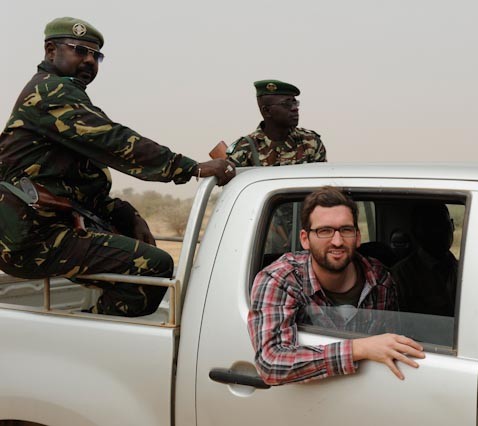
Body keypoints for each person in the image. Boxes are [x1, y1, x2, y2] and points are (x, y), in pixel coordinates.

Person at [0, 17, 236, 317]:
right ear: (50, 51)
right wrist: (190, 168)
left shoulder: (63, 94)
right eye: (79, 50)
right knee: (156, 265)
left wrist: (128, 215)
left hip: (47, 224)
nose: (89, 61)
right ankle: (93, 332)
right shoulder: (52, 92)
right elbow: (114, 140)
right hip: (30, 236)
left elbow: (82, 184)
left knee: (134, 240)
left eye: (96, 56)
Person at [248, 186, 425, 385]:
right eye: (325, 231)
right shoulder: (281, 279)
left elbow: (395, 344)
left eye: (346, 230)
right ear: (305, 239)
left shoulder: (381, 279)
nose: (337, 241)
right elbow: (272, 363)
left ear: (358, 237)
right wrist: (359, 349)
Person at [226, 79, 326, 167]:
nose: (295, 108)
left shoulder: (310, 142)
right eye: (287, 104)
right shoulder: (245, 148)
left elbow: (322, 183)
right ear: (266, 111)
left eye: (295, 102)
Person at [392, 202, 458, 316]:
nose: (438, 231)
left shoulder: (462, 268)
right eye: (430, 227)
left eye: (443, 224)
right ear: (415, 232)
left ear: (452, 225)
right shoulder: (400, 276)